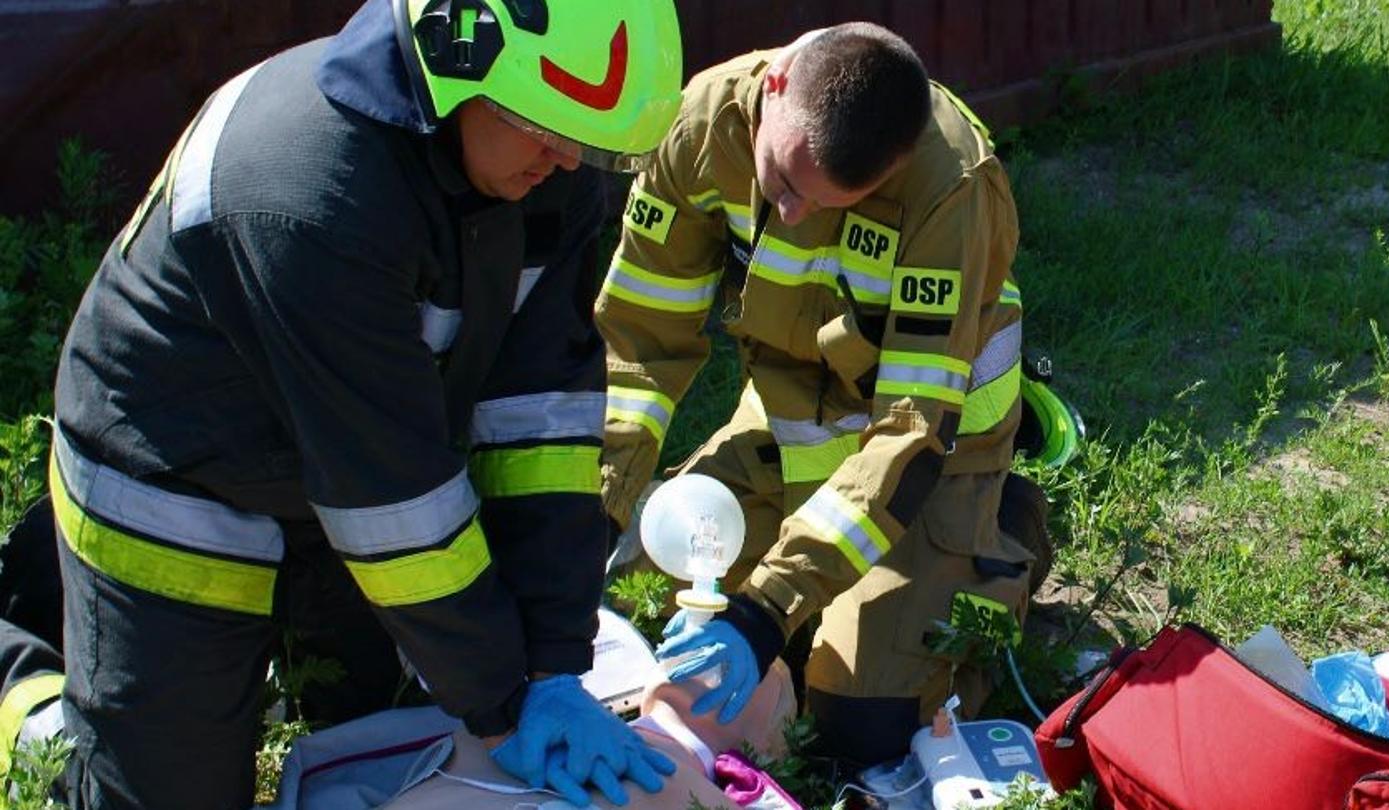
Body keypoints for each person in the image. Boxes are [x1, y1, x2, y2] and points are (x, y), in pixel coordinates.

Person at [27, 0, 683, 806]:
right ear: (455, 62)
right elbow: (391, 500)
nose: (569, 162)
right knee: (167, 789)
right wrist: (505, 704)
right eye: (548, 131)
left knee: (380, 725)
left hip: (352, 471)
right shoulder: (308, 186)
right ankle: (27, 689)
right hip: (177, 474)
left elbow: (541, 417)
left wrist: (552, 661)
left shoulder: (541, 158)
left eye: (590, 141)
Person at [596, 22, 1036, 765]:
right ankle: (829, 595)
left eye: (831, 200)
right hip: (788, 429)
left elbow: (911, 430)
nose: (795, 214)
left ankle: (1003, 534)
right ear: (774, 88)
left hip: (935, 464)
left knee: (862, 726)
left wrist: (768, 609)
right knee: (631, 614)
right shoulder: (701, 129)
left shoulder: (950, 187)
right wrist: (589, 512)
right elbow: (639, 346)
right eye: (785, 185)